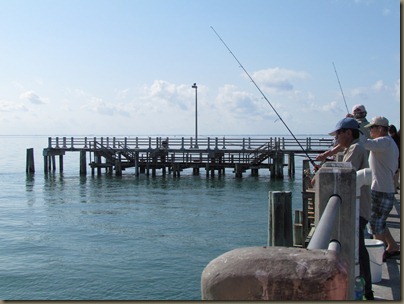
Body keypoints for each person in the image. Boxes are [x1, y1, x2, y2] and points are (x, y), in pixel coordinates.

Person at [324, 117, 374, 300]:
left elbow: (344, 172)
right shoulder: (352, 148)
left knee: (359, 250)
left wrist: (323, 171)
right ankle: (364, 289)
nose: (336, 138)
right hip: (357, 207)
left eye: (338, 134)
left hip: (359, 209)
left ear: (348, 133)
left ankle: (367, 291)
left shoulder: (356, 149)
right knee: (358, 248)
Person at [363, 116, 400, 261]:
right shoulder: (389, 142)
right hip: (385, 188)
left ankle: (378, 254)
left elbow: (364, 143)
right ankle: (393, 246)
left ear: (380, 129)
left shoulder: (383, 141)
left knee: (375, 223)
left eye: (372, 128)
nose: (370, 130)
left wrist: (355, 127)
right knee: (380, 221)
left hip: (381, 189)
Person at [388, 125, 400, 191]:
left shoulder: (390, 139)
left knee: (396, 173)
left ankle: (395, 187)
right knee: (396, 173)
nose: (391, 134)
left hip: (397, 157)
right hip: (396, 156)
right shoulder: (391, 139)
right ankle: (395, 187)